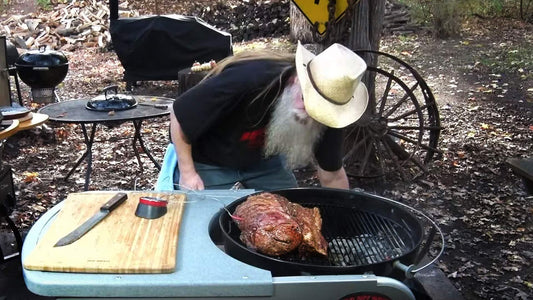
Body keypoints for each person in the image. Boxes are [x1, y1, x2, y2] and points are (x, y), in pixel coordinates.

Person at [169, 42, 368, 191]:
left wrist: (344, 219)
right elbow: (179, 115)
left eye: (320, 112)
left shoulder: (330, 112)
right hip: (209, 159)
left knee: (291, 217)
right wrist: (188, 173)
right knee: (203, 225)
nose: (311, 115)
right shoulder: (250, 78)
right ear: (299, 79)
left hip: (263, 162)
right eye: (309, 102)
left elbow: (332, 176)